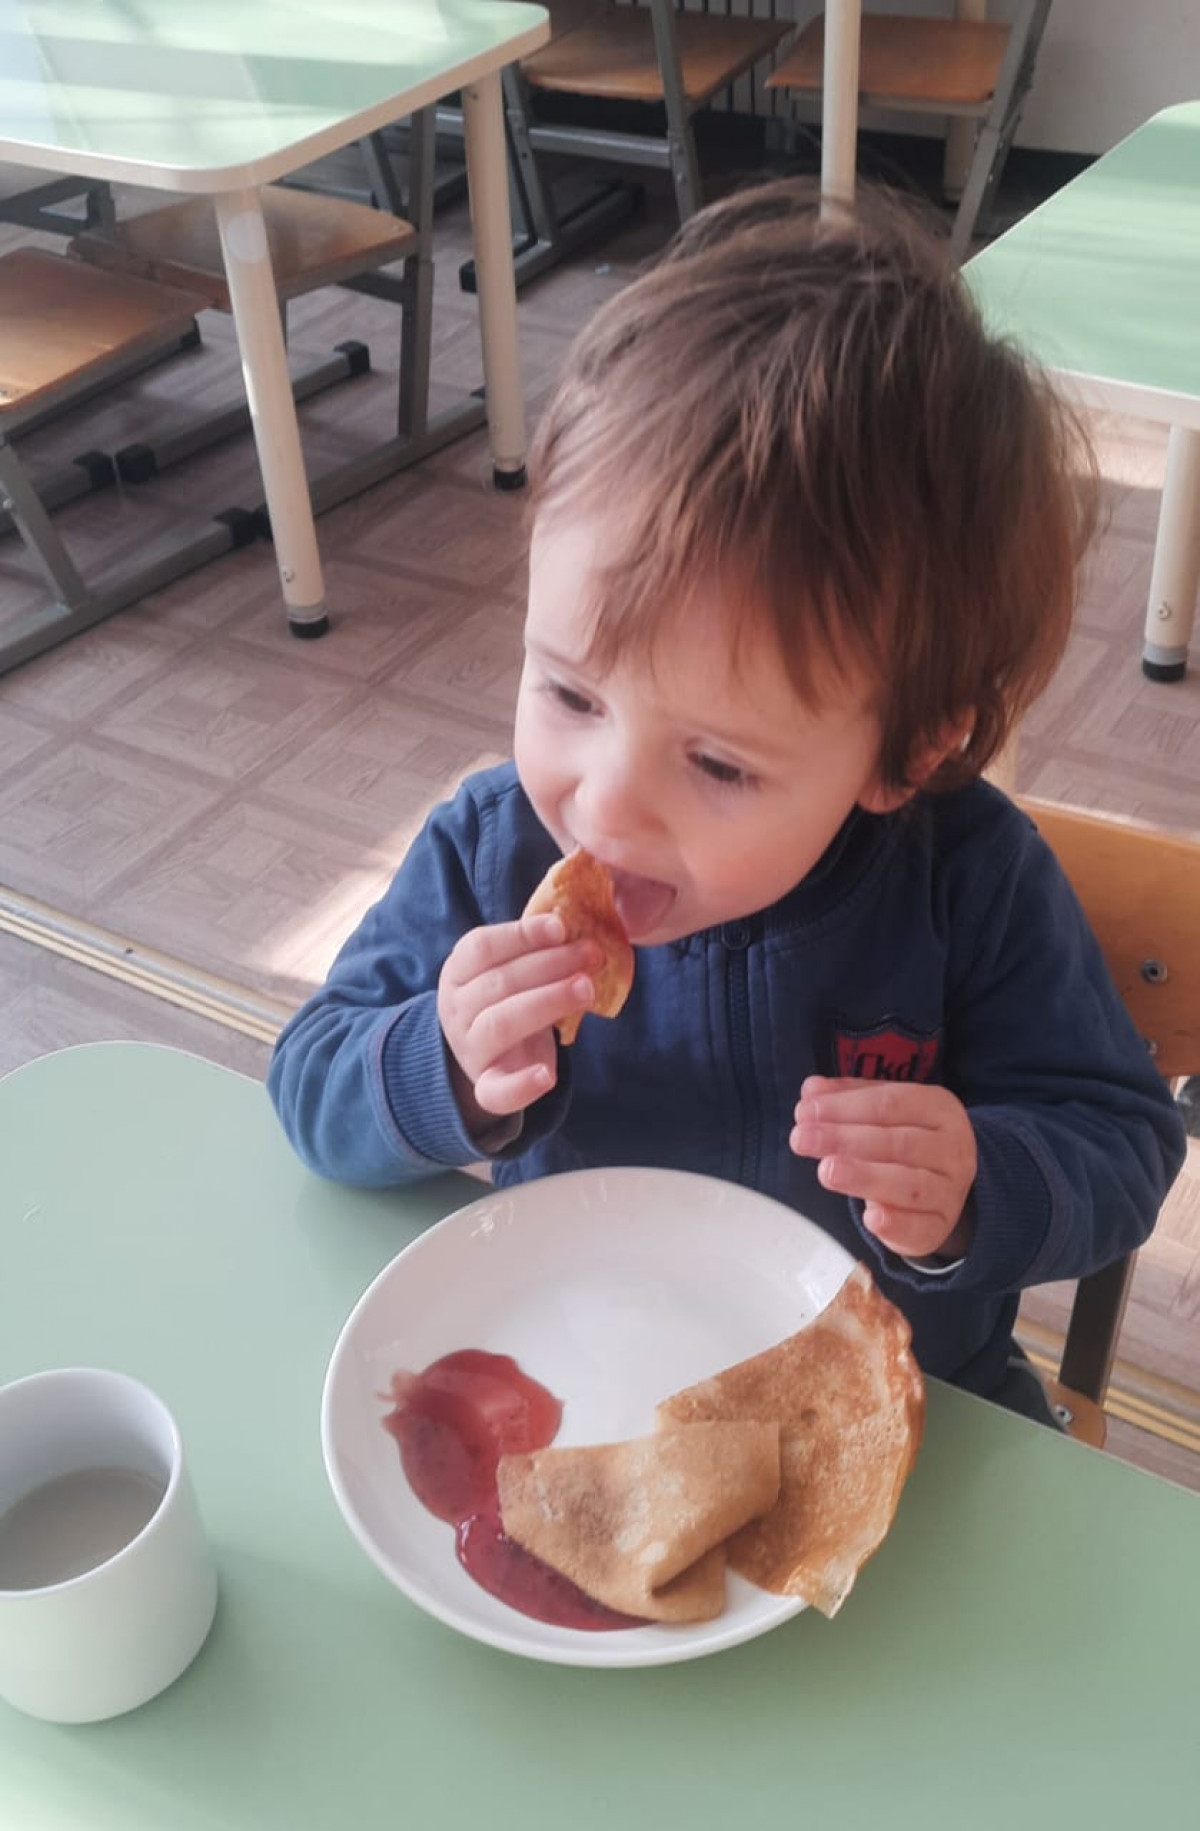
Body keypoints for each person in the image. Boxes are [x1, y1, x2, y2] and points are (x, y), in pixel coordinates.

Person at [268, 179, 1186, 1422]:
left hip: (904, 1399)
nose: (605, 806)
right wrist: (443, 1063)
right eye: (569, 693)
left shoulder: (969, 882)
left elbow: (1123, 1141)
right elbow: (308, 1082)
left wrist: (978, 1184)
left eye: (718, 765)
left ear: (907, 753)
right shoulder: (491, 851)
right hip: (585, 1385)